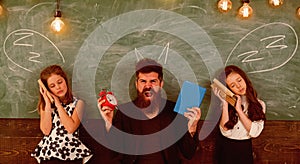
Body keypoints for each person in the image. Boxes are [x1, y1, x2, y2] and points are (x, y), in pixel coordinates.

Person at [98, 58, 201, 164]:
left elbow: (188, 153)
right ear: (136, 84)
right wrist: (108, 123)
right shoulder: (124, 112)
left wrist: (192, 127)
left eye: (153, 81)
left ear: (161, 84)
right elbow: (114, 153)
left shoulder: (174, 112)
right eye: (143, 81)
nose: (148, 86)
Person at [31, 65, 92, 163]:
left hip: (71, 153)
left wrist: (58, 105)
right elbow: (46, 131)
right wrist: (47, 103)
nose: (58, 87)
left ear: (65, 81)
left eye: (60, 82)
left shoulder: (78, 103)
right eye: (52, 86)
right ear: (47, 89)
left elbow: (70, 128)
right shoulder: (46, 106)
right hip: (49, 154)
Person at [212, 65, 266, 164]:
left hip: (245, 149)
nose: (238, 86)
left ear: (244, 78)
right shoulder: (226, 106)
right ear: (229, 89)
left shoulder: (259, 105)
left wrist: (239, 111)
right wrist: (224, 103)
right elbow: (225, 131)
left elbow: (255, 132)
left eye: (239, 80)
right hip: (226, 149)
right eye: (232, 85)